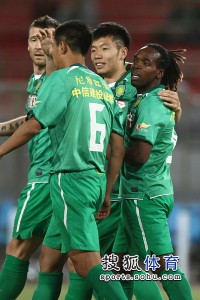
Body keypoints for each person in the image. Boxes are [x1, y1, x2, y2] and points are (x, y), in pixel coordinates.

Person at [0, 20, 128, 300]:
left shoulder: (61, 80)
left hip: (69, 179)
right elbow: (117, 146)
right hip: (95, 179)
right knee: (49, 259)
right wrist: (106, 190)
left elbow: (34, 125)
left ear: (61, 46)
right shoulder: (102, 85)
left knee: (85, 263)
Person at [65, 22, 183, 300]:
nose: (97, 55)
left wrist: (176, 111)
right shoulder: (86, 85)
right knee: (113, 264)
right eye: (93, 49)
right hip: (101, 190)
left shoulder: (137, 86)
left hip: (130, 192)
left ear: (122, 54)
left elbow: (157, 129)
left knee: (138, 263)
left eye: (105, 48)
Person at [112, 43, 194, 300]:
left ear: (159, 73)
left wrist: (110, 147)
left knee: (160, 264)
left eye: (145, 63)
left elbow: (138, 157)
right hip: (147, 192)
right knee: (120, 264)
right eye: (136, 60)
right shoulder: (152, 97)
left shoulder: (153, 105)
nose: (136, 66)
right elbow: (124, 66)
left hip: (143, 195)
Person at [0, 15, 60, 300]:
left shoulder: (55, 76)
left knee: (18, 249)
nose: (40, 44)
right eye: (34, 38)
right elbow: (32, 119)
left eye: (47, 37)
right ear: (26, 45)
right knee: (54, 261)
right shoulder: (36, 81)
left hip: (45, 177)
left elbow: (34, 125)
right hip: (61, 179)